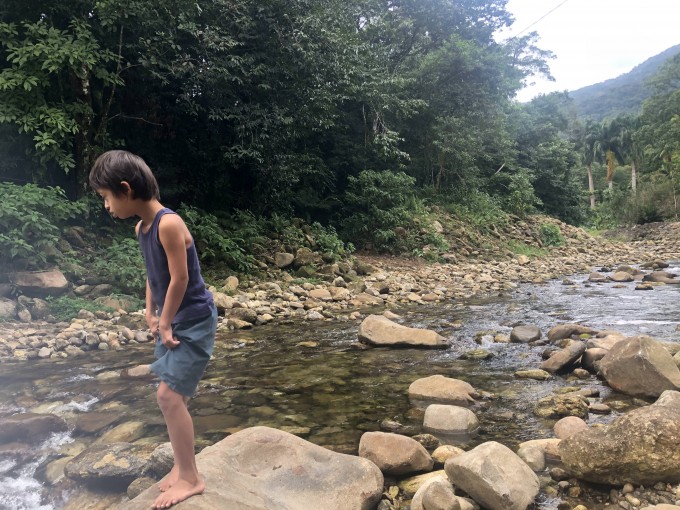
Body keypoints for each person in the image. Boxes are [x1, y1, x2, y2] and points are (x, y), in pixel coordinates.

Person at [89, 150, 217, 509]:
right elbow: (153, 273)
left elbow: (180, 278)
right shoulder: (142, 226)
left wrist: (164, 320)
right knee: (174, 395)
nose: (107, 206)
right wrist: (150, 310)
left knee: (168, 396)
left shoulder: (169, 223)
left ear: (126, 189)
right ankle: (182, 465)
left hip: (193, 321)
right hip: (173, 319)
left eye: (107, 197)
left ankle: (192, 478)